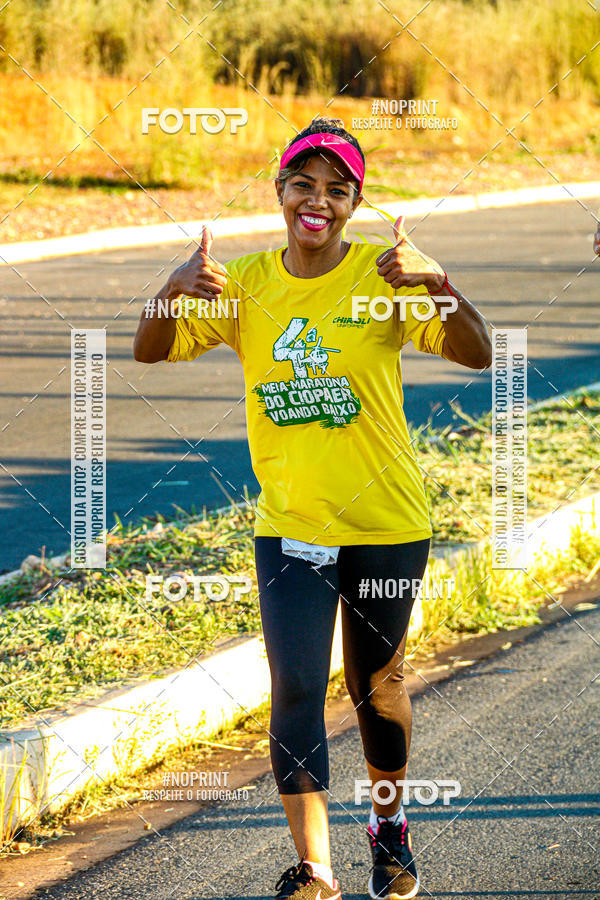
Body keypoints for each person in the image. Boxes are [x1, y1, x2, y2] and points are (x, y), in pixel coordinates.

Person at [133, 116, 492, 900]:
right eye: (304, 184)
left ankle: (390, 829)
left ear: (355, 203)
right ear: (280, 192)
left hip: (388, 524)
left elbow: (478, 352)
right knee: (296, 685)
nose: (317, 201)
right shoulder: (247, 285)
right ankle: (316, 869)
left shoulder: (384, 279)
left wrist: (437, 284)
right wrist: (170, 291)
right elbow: (146, 350)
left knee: (377, 688)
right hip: (291, 528)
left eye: (336, 189)